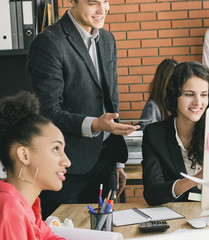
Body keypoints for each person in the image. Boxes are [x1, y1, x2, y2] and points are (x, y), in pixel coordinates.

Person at [27, 0, 139, 219]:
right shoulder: (49, 42)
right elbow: (46, 112)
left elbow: (110, 102)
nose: (102, 9)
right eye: (92, 3)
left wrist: (117, 162)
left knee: (104, 231)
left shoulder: (107, 39)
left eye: (105, 1)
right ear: (72, 2)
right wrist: (94, 124)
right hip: (66, 166)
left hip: (105, 161)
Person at [141, 61, 209, 206]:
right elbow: (152, 193)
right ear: (175, 96)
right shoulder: (155, 134)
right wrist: (197, 178)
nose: (198, 102)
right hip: (179, 213)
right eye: (189, 94)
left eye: (204, 95)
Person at [0, 91, 71, 239]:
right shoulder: (10, 208)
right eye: (56, 148)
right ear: (24, 155)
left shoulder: (28, 205)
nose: (67, 162)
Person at [139, 58, 178, 130]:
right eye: (171, 80)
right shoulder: (153, 106)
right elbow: (146, 133)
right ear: (163, 82)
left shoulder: (177, 102)